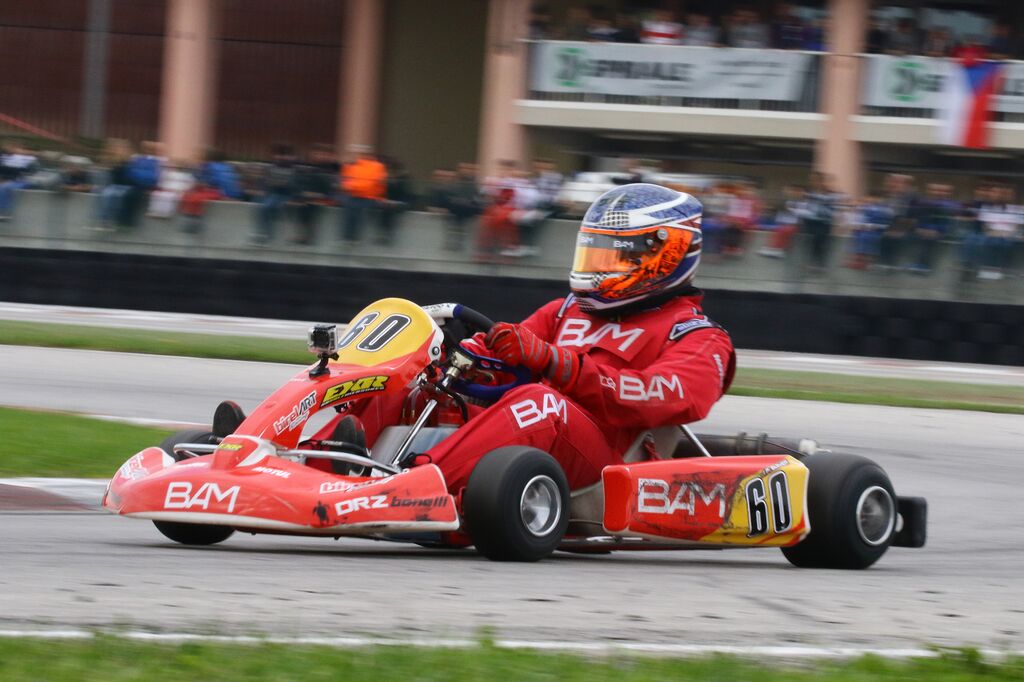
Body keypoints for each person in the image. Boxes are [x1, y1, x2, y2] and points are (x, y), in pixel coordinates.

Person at [422, 183, 736, 493]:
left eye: (617, 256)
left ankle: (418, 488)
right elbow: (500, 354)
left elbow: (656, 397)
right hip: (532, 448)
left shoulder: (699, 336)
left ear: (667, 256)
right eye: (596, 253)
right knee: (420, 390)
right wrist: (443, 355)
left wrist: (556, 361)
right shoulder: (564, 311)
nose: (600, 268)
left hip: (607, 467)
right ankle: (379, 473)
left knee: (542, 402)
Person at [339, 144, 386, 244]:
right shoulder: (352, 166)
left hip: (369, 197)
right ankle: (348, 237)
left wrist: (353, 187)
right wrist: (352, 187)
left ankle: (352, 237)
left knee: (357, 212)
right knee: (349, 211)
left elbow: (372, 183)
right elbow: (345, 181)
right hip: (355, 195)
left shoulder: (378, 167)